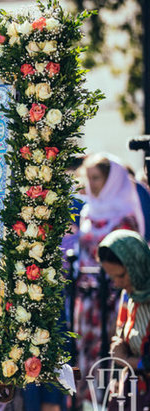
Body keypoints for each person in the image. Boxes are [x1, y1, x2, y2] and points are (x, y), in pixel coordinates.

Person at [75, 154, 145, 404]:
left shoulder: (125, 214)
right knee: (88, 359)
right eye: (89, 178)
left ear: (111, 180)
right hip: (87, 296)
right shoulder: (87, 211)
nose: (92, 184)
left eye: (97, 178)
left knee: (112, 356)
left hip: (115, 295)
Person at [97, 229, 150, 406]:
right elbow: (120, 339)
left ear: (137, 266)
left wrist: (129, 361)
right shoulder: (129, 296)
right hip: (134, 395)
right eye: (112, 278)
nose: (117, 284)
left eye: (120, 276)